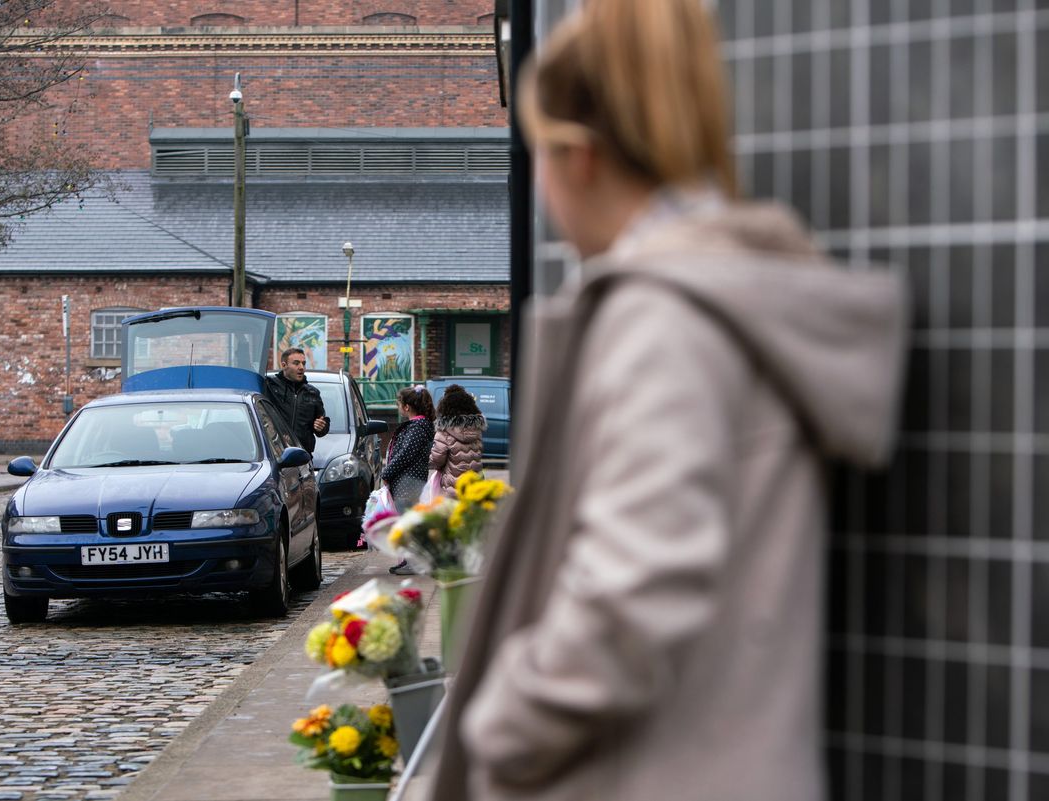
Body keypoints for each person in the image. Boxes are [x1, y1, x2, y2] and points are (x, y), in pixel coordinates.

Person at [428, 2, 908, 800]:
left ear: (579, 157)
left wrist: (499, 726)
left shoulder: (662, 319)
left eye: (538, 151)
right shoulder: (728, 294)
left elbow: (636, 586)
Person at [380, 385, 435, 575]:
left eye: (399, 403)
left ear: (406, 407)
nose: (397, 406)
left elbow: (405, 455)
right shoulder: (418, 426)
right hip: (407, 482)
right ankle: (408, 560)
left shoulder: (417, 427)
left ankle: (414, 562)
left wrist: (387, 473)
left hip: (408, 482)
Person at [262, 348, 329, 454]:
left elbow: (322, 426)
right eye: (296, 363)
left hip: (303, 456)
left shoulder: (312, 393)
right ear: (284, 365)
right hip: (275, 454)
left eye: (303, 363)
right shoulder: (269, 386)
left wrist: (321, 426)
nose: (301, 367)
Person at [428, 384, 486, 498]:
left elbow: (436, 460)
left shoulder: (444, 431)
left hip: (453, 487)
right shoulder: (477, 429)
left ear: (445, 406)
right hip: (475, 485)